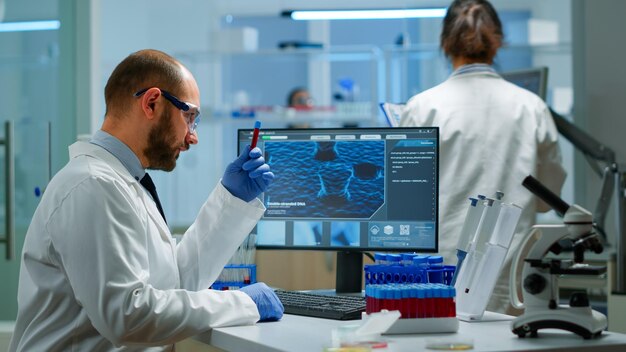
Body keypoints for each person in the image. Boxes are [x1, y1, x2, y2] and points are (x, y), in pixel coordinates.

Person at [10, 49, 283, 351]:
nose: (193, 137)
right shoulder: (93, 185)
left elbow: (177, 282)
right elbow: (128, 316)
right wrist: (243, 303)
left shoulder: (124, 182)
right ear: (152, 102)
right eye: (190, 117)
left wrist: (231, 200)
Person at [399, 0, 566, 314]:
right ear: (499, 42)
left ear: (445, 43)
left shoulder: (422, 108)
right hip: (510, 272)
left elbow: (405, 200)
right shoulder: (531, 107)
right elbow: (548, 197)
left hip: (439, 272)